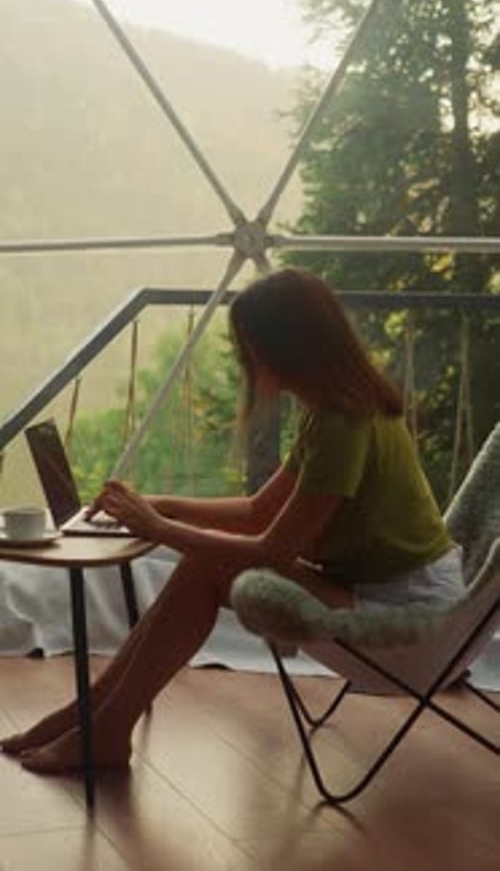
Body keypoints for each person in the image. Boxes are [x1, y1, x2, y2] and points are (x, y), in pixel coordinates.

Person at [0, 267, 464, 774]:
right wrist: (161, 504)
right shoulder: (333, 408)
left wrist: (157, 529)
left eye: (249, 345)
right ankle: (93, 717)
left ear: (281, 347)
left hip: (413, 617)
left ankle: (103, 729)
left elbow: (272, 551)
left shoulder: (342, 423)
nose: (246, 358)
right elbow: (259, 511)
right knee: (204, 566)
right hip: (391, 589)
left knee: (206, 566)